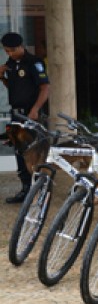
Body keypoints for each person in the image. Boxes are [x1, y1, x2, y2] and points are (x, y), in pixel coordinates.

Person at [1, 32, 50, 203]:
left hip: (31, 114)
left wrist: (35, 109)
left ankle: (40, 189)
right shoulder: (11, 64)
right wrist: (1, 77)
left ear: (21, 46)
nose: (10, 54)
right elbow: (14, 88)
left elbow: (45, 88)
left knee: (34, 153)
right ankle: (26, 189)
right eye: (6, 51)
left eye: (12, 50)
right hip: (16, 113)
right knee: (19, 152)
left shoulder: (34, 62)